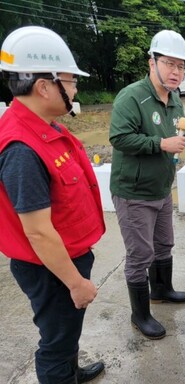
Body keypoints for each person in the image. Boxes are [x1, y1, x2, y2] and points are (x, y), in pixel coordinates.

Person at [109, 30, 185, 340]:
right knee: (140, 254)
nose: (176, 72)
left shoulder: (175, 98)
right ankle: (140, 315)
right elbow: (119, 138)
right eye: (169, 64)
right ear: (151, 62)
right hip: (134, 192)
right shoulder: (132, 96)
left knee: (164, 245)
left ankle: (161, 290)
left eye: (182, 66)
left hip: (162, 188)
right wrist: (160, 144)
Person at [0, 26, 106, 383]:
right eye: (70, 81)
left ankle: (71, 371)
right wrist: (75, 282)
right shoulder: (21, 149)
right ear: (44, 86)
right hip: (52, 270)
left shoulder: (43, 126)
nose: (75, 88)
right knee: (56, 343)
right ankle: (62, 373)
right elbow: (39, 232)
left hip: (66, 258)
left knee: (67, 332)